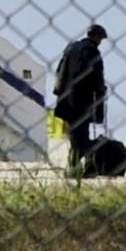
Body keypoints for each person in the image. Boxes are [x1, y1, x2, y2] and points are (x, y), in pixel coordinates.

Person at [53, 24, 109, 177]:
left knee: (74, 135)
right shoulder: (93, 52)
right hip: (82, 101)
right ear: (97, 37)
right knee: (82, 136)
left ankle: (74, 166)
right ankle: (78, 165)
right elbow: (98, 81)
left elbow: (60, 72)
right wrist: (99, 105)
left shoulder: (71, 48)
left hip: (65, 99)